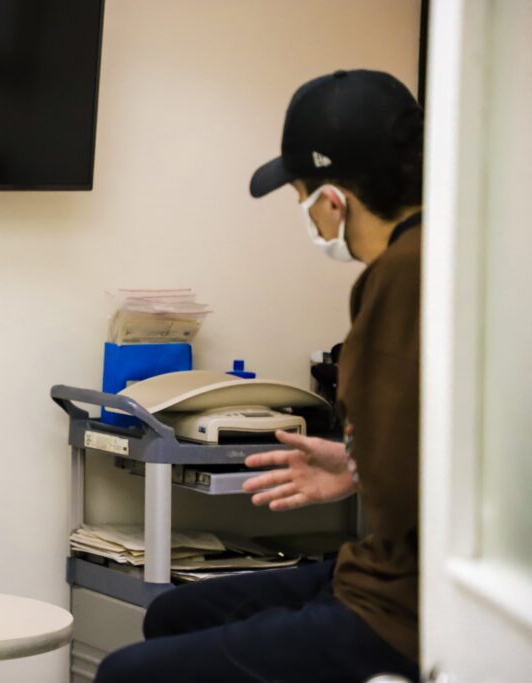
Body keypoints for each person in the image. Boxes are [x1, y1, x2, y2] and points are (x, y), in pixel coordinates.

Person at [94, 69, 423, 682]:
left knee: (126, 675)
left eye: (302, 197)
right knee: (172, 615)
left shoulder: (401, 277)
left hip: (399, 607)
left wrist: (368, 467)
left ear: (332, 200)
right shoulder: (434, 256)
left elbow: (415, 482)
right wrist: (355, 465)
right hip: (383, 569)